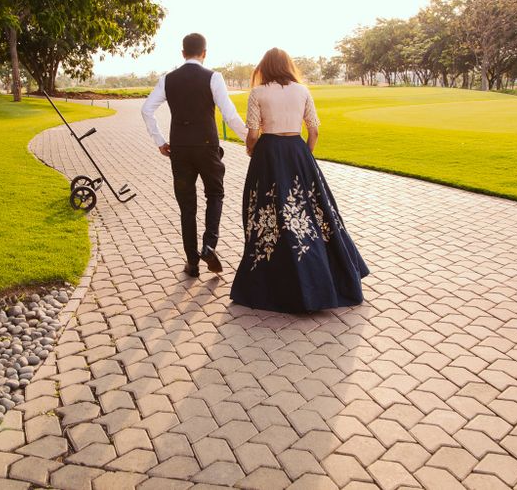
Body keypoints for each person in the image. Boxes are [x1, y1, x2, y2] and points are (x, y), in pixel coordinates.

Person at [230, 48, 369, 312]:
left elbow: (252, 133)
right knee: (313, 214)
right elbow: (314, 131)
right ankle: (322, 277)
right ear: (287, 66)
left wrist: (252, 150)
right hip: (298, 151)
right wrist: (304, 155)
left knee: (267, 216)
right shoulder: (302, 91)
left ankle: (273, 279)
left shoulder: (258, 93)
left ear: (265, 67)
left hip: (269, 154)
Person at [141, 33, 249, 277]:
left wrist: (160, 141)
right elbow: (229, 114)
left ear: (182, 53)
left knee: (187, 206)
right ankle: (209, 244)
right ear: (204, 53)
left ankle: (192, 263)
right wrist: (249, 139)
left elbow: (146, 109)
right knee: (215, 194)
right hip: (207, 146)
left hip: (179, 150)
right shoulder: (213, 77)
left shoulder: (168, 79)